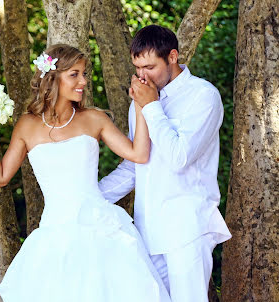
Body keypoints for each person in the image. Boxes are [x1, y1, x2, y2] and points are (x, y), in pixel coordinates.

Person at [0, 44, 171, 302]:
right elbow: (1, 177)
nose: (83, 81)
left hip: (100, 228)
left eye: (84, 74)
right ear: (52, 78)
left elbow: (139, 154)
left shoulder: (94, 119)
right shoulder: (27, 125)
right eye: (75, 74)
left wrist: (140, 105)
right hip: (54, 233)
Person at [99, 25, 232, 302]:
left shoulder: (203, 96)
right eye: (137, 67)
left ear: (172, 57)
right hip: (148, 230)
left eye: (149, 67)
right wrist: (88, 197)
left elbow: (178, 158)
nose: (141, 76)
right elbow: (136, 164)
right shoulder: (143, 100)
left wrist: (150, 106)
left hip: (188, 228)